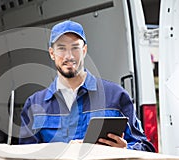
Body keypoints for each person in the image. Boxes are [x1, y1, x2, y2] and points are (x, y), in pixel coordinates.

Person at [19, 20, 155, 152]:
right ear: (52, 53)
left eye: (75, 48)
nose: (69, 55)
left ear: (84, 50)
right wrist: (64, 151)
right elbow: (27, 159)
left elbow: (146, 148)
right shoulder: (35, 104)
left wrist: (126, 149)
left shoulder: (115, 96)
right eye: (61, 48)